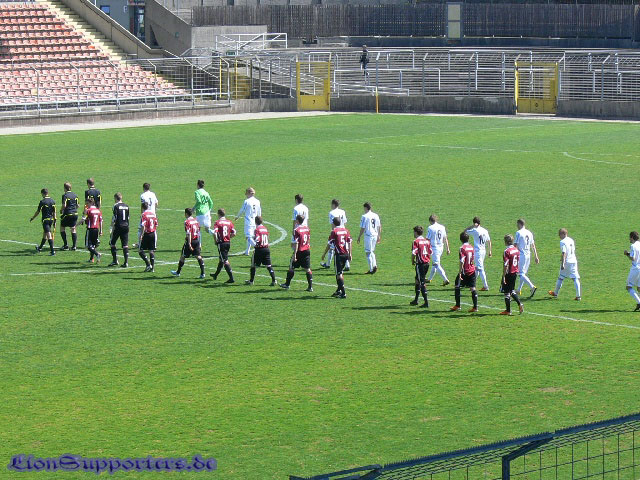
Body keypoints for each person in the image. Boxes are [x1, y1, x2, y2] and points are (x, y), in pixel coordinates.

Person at [321, 217, 352, 299]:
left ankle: (343, 293)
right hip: (345, 254)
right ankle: (338, 290)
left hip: (338, 255)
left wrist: (324, 254)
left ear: (333, 223)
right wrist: (350, 254)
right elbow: (349, 242)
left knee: (339, 274)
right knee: (340, 272)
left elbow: (329, 244)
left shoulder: (334, 231)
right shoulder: (346, 230)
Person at [171, 208, 205, 279]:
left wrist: (189, 243)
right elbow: (199, 232)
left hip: (190, 241)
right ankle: (203, 273)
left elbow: (189, 233)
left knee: (182, 256)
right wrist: (200, 243)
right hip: (196, 240)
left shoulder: (187, 222)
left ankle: (178, 272)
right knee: (198, 256)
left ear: (186, 214)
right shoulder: (196, 221)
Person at [281, 215, 312, 291]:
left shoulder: (296, 230)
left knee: (291, 267)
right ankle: (310, 287)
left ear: (297, 221)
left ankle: (287, 284)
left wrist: (295, 254)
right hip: (307, 250)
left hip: (299, 251)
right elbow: (308, 239)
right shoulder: (307, 228)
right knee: (307, 269)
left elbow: (296, 242)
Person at [548, 228, 581, 300]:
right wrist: (561, 258)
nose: (559, 236)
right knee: (575, 278)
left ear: (563, 234)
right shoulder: (571, 240)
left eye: (559, 234)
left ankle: (555, 293)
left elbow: (564, 253)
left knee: (561, 277)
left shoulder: (562, 242)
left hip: (567, 262)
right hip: (574, 261)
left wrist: (563, 263)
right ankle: (578, 296)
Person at [450, 232, 478, 313]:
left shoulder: (462, 248)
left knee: (457, 286)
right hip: (472, 270)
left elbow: (462, 261)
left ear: (460, 239)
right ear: (468, 239)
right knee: (473, 288)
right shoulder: (471, 247)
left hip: (465, 271)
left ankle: (457, 305)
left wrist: (460, 272)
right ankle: (475, 307)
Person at [246, 216, 277, 286]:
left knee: (253, 265)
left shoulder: (257, 230)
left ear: (255, 222)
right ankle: (274, 280)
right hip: (266, 249)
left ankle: (251, 281)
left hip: (259, 250)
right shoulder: (265, 228)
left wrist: (250, 239)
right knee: (269, 266)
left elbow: (257, 240)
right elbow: (267, 237)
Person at [464, 217, 492, 291]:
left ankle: (485, 286)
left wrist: (472, 226)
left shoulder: (475, 230)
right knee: (477, 268)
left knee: (480, 269)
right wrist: (490, 251)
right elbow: (489, 241)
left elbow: (465, 232)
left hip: (478, 251)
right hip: (483, 251)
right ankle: (471, 283)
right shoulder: (485, 230)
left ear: (475, 223)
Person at [514, 219, 539, 297]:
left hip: (521, 255)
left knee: (520, 273)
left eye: (517, 224)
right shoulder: (529, 233)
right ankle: (519, 289)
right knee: (523, 273)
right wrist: (536, 256)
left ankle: (532, 287)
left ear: (519, 224)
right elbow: (533, 245)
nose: (516, 226)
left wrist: (513, 255)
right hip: (528, 255)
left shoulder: (518, 233)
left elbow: (515, 245)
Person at [321, 199, 349, 270]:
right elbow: (345, 222)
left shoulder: (331, 213)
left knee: (331, 247)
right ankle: (347, 265)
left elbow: (333, 224)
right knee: (344, 248)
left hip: (336, 232)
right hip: (343, 232)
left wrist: (333, 233)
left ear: (333, 204)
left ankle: (328, 264)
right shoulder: (342, 211)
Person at [210, 208, 236, 283]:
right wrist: (228, 237)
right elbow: (234, 233)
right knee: (221, 259)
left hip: (221, 243)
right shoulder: (229, 222)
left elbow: (215, 233)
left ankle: (231, 278)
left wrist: (215, 241)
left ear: (218, 214)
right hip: (228, 243)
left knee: (225, 260)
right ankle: (215, 275)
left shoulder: (217, 222)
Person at [500, 234, 524, 315]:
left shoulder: (506, 251)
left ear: (505, 242)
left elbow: (506, 265)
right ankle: (519, 304)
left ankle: (508, 311)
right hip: (515, 272)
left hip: (509, 273)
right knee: (512, 290)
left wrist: (504, 276)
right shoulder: (516, 250)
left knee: (506, 292)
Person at [30, 188, 56, 256]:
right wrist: (55, 220)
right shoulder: (52, 201)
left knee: (48, 235)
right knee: (45, 234)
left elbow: (38, 211)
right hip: (51, 220)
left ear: (42, 193)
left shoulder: (42, 202)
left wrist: (33, 218)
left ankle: (52, 251)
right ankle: (40, 248)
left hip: (45, 220)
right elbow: (54, 212)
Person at [235, 187, 261, 256]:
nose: (246, 195)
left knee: (248, 237)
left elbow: (242, 210)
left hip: (248, 222)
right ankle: (247, 251)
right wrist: (259, 222)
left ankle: (257, 247)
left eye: (246, 193)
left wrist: (237, 216)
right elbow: (259, 212)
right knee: (251, 236)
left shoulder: (247, 201)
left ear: (249, 193)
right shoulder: (258, 201)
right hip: (255, 222)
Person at [357, 202, 381, 274]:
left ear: (365, 208)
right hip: (375, 235)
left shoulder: (364, 216)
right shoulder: (375, 215)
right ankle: (375, 265)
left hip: (368, 236)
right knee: (372, 251)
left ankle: (371, 269)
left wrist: (359, 236)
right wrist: (379, 235)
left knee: (368, 252)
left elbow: (363, 228)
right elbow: (379, 226)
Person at [426, 214, 450, 285]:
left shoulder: (430, 228)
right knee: (434, 264)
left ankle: (445, 279)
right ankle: (429, 279)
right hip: (441, 247)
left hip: (434, 248)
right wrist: (448, 248)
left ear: (430, 221)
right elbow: (445, 238)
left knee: (436, 264)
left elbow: (428, 239)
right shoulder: (442, 227)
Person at [410, 225, 431, 308]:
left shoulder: (416, 241)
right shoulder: (427, 241)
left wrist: (412, 260)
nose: (413, 234)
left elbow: (413, 253)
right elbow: (430, 252)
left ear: (416, 232)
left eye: (414, 232)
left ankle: (426, 302)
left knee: (422, 282)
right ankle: (416, 300)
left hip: (420, 264)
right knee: (417, 280)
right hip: (427, 263)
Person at [108, 193, 130, 268]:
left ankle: (115, 260)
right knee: (125, 245)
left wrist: (111, 227)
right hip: (126, 226)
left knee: (112, 243)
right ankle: (126, 262)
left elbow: (115, 217)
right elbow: (128, 217)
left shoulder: (115, 206)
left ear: (115, 198)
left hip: (118, 226)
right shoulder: (126, 206)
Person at [79, 198, 102, 263]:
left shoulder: (88, 210)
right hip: (96, 229)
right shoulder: (98, 210)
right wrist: (101, 231)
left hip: (90, 229)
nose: (86, 205)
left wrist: (75, 225)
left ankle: (97, 254)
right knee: (93, 245)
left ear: (91, 203)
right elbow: (100, 221)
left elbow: (83, 219)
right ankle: (91, 259)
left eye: (87, 203)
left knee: (88, 246)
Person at [138, 202, 158, 273]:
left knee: (140, 251)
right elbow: (156, 224)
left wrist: (141, 235)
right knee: (151, 251)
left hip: (146, 234)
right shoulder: (153, 214)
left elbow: (143, 226)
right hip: (153, 233)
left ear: (142, 207)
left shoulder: (143, 214)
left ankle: (148, 264)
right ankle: (152, 268)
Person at [59, 182, 79, 251]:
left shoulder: (65, 195)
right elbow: (78, 205)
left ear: (65, 188)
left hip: (67, 214)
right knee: (73, 229)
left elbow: (64, 205)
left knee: (62, 228)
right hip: (75, 214)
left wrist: (61, 210)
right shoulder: (75, 195)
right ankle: (74, 246)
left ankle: (65, 245)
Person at [624, 231, 640, 311]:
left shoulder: (633, 246)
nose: (629, 239)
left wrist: (627, 254)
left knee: (629, 287)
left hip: (635, 268)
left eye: (629, 237)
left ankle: (639, 302)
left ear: (632, 237)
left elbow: (633, 258)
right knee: (639, 287)